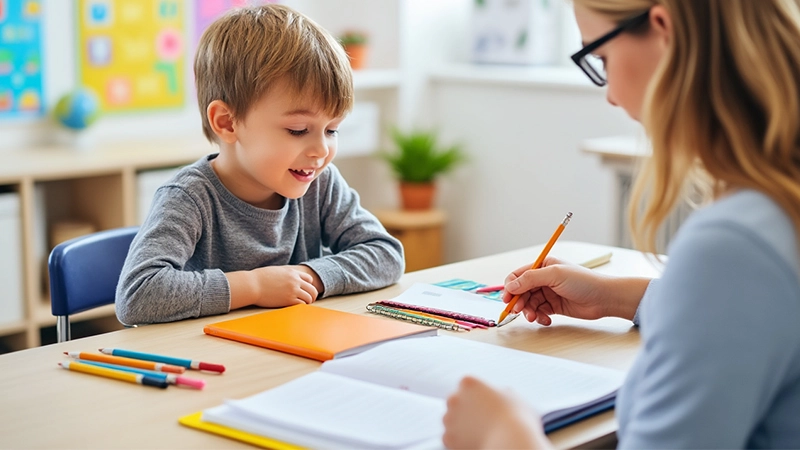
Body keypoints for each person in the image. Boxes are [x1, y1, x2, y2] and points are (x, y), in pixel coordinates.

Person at [443, 0, 800, 448]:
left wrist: (506, 436)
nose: (610, 94)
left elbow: (734, 286)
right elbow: (748, 309)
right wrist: (612, 296)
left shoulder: (733, 245)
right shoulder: (772, 209)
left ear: (664, 30)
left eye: (601, 58)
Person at [115, 4, 404, 325]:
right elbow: (137, 295)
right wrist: (254, 286)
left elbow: (386, 253)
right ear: (227, 123)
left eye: (332, 130)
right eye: (298, 130)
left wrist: (309, 276)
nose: (321, 150)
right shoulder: (189, 197)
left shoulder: (319, 184)